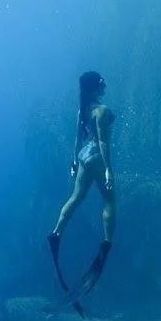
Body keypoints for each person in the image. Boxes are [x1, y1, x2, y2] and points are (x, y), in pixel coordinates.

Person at [47, 71, 115, 291]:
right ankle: (106, 243)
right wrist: (108, 171)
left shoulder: (83, 110)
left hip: (84, 155)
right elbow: (103, 143)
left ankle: (56, 233)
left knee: (76, 198)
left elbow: (78, 137)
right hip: (97, 156)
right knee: (109, 201)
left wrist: (74, 161)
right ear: (96, 87)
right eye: (102, 83)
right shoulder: (101, 111)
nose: (104, 86)